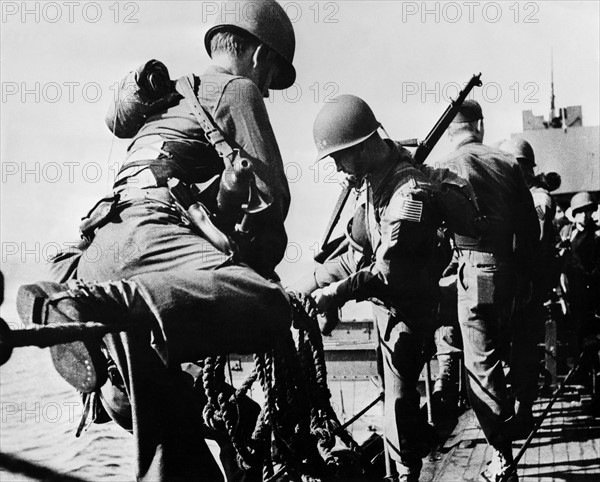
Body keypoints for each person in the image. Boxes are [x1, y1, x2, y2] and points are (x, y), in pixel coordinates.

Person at [16, 1, 296, 481]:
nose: (267, 90)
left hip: (96, 245)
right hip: (147, 241)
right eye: (272, 75)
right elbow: (272, 200)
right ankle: (90, 303)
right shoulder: (237, 87)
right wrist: (241, 265)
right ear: (258, 56)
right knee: (270, 306)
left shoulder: (171, 100)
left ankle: (88, 314)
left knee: (155, 415)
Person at [295, 94, 447, 482]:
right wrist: (303, 288)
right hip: (383, 305)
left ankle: (407, 473)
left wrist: (335, 294)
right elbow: (355, 256)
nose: (335, 166)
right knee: (397, 408)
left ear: (361, 147)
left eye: (337, 157)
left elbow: (385, 273)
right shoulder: (371, 184)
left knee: (397, 406)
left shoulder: (408, 193)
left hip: (408, 312)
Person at [439, 101, 539, 482]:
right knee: (505, 357)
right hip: (510, 273)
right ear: (479, 125)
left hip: (472, 276)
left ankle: (500, 456)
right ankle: (514, 416)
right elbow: (529, 230)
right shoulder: (508, 164)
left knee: (481, 368)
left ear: (451, 130)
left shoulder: (441, 167)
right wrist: (526, 279)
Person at [499, 138, 560, 436]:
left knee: (522, 349)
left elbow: (535, 230)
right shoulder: (508, 195)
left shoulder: (538, 197)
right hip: (504, 286)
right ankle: (509, 408)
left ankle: (523, 411)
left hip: (526, 288)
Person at [559, 192, 600, 364]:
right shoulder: (567, 234)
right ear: (574, 215)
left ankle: (586, 370)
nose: (584, 216)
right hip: (570, 291)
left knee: (587, 333)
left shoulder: (596, 237)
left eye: (587, 211)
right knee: (572, 332)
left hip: (589, 293)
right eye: (580, 212)